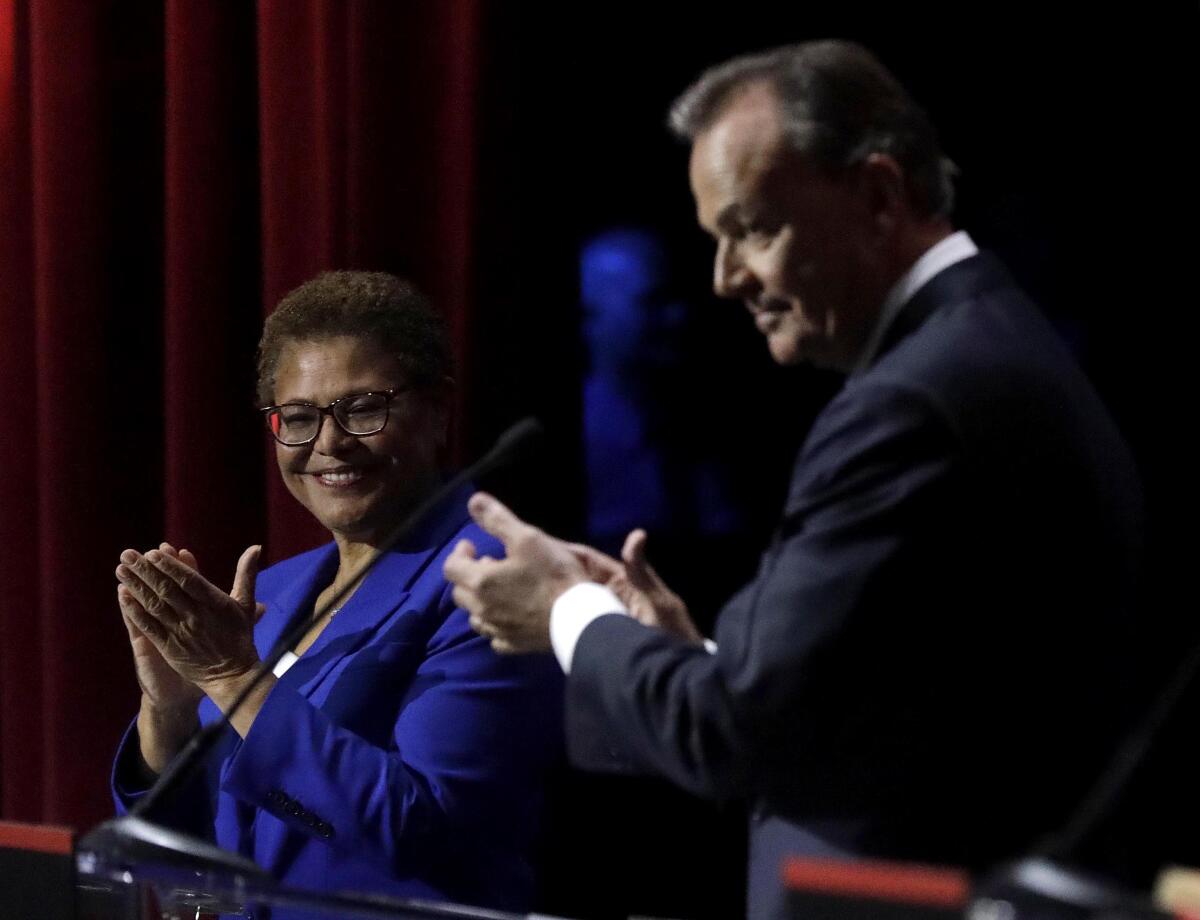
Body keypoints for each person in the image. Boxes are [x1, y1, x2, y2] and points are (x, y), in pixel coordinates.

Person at [443, 40, 1144, 918]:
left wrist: (565, 612)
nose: (725, 279)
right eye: (715, 240)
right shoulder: (982, 344)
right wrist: (688, 658)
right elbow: (861, 715)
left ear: (880, 195)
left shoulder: (914, 400)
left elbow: (732, 733)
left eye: (752, 230)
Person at [111, 271, 563, 912]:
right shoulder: (272, 592)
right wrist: (171, 709)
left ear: (437, 410)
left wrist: (233, 678)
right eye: (297, 417)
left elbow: (421, 828)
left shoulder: (493, 577)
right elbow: (176, 849)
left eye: (364, 408)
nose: (329, 443)